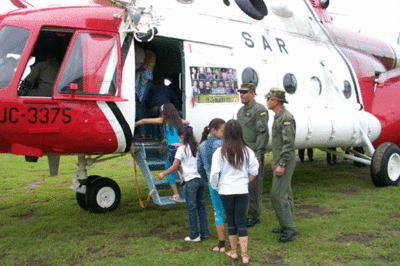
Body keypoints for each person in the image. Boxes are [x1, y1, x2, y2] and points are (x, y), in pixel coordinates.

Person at [210, 119, 259, 265]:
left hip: (225, 190)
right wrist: (246, 180)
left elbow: (213, 175)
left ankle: (233, 252)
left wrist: (217, 187)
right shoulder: (247, 151)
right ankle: (244, 254)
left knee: (231, 220)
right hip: (241, 189)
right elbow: (255, 169)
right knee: (241, 221)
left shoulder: (219, 152)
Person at [158, 126, 209, 242]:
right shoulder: (198, 147)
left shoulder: (181, 149)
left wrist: (164, 173)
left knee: (191, 208)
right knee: (201, 206)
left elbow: (175, 166)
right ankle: (205, 232)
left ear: (181, 136)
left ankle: (194, 235)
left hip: (191, 181)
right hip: (202, 180)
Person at [135, 103, 189, 201]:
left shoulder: (164, 121)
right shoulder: (178, 121)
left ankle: (176, 195)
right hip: (181, 147)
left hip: (173, 148)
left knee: (168, 170)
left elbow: (145, 120)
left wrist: (136, 124)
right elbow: (187, 122)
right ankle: (184, 176)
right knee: (177, 165)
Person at [265, 88, 298, 243]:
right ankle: (287, 225)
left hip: (286, 160)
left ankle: (290, 228)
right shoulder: (278, 117)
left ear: (275, 101)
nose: (267, 102)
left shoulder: (286, 118)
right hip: (281, 159)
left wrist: (282, 164)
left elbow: (289, 145)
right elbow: (280, 144)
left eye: (269, 99)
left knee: (277, 195)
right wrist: (276, 159)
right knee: (285, 194)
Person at [237, 83, 269, 228]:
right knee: (240, 184)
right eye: (240, 93)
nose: (242, 95)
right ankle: (241, 213)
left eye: (244, 92)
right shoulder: (240, 111)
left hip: (253, 154)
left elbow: (262, 134)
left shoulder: (259, 110)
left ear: (252, 93)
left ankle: (254, 215)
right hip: (241, 153)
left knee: (254, 186)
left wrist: (259, 155)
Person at [197, 118, 226, 252]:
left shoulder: (201, 146)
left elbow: (199, 166)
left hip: (212, 183)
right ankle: (234, 239)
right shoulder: (222, 144)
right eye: (222, 130)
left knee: (218, 212)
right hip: (226, 182)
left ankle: (221, 242)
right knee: (230, 211)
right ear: (214, 131)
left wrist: (207, 179)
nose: (224, 133)